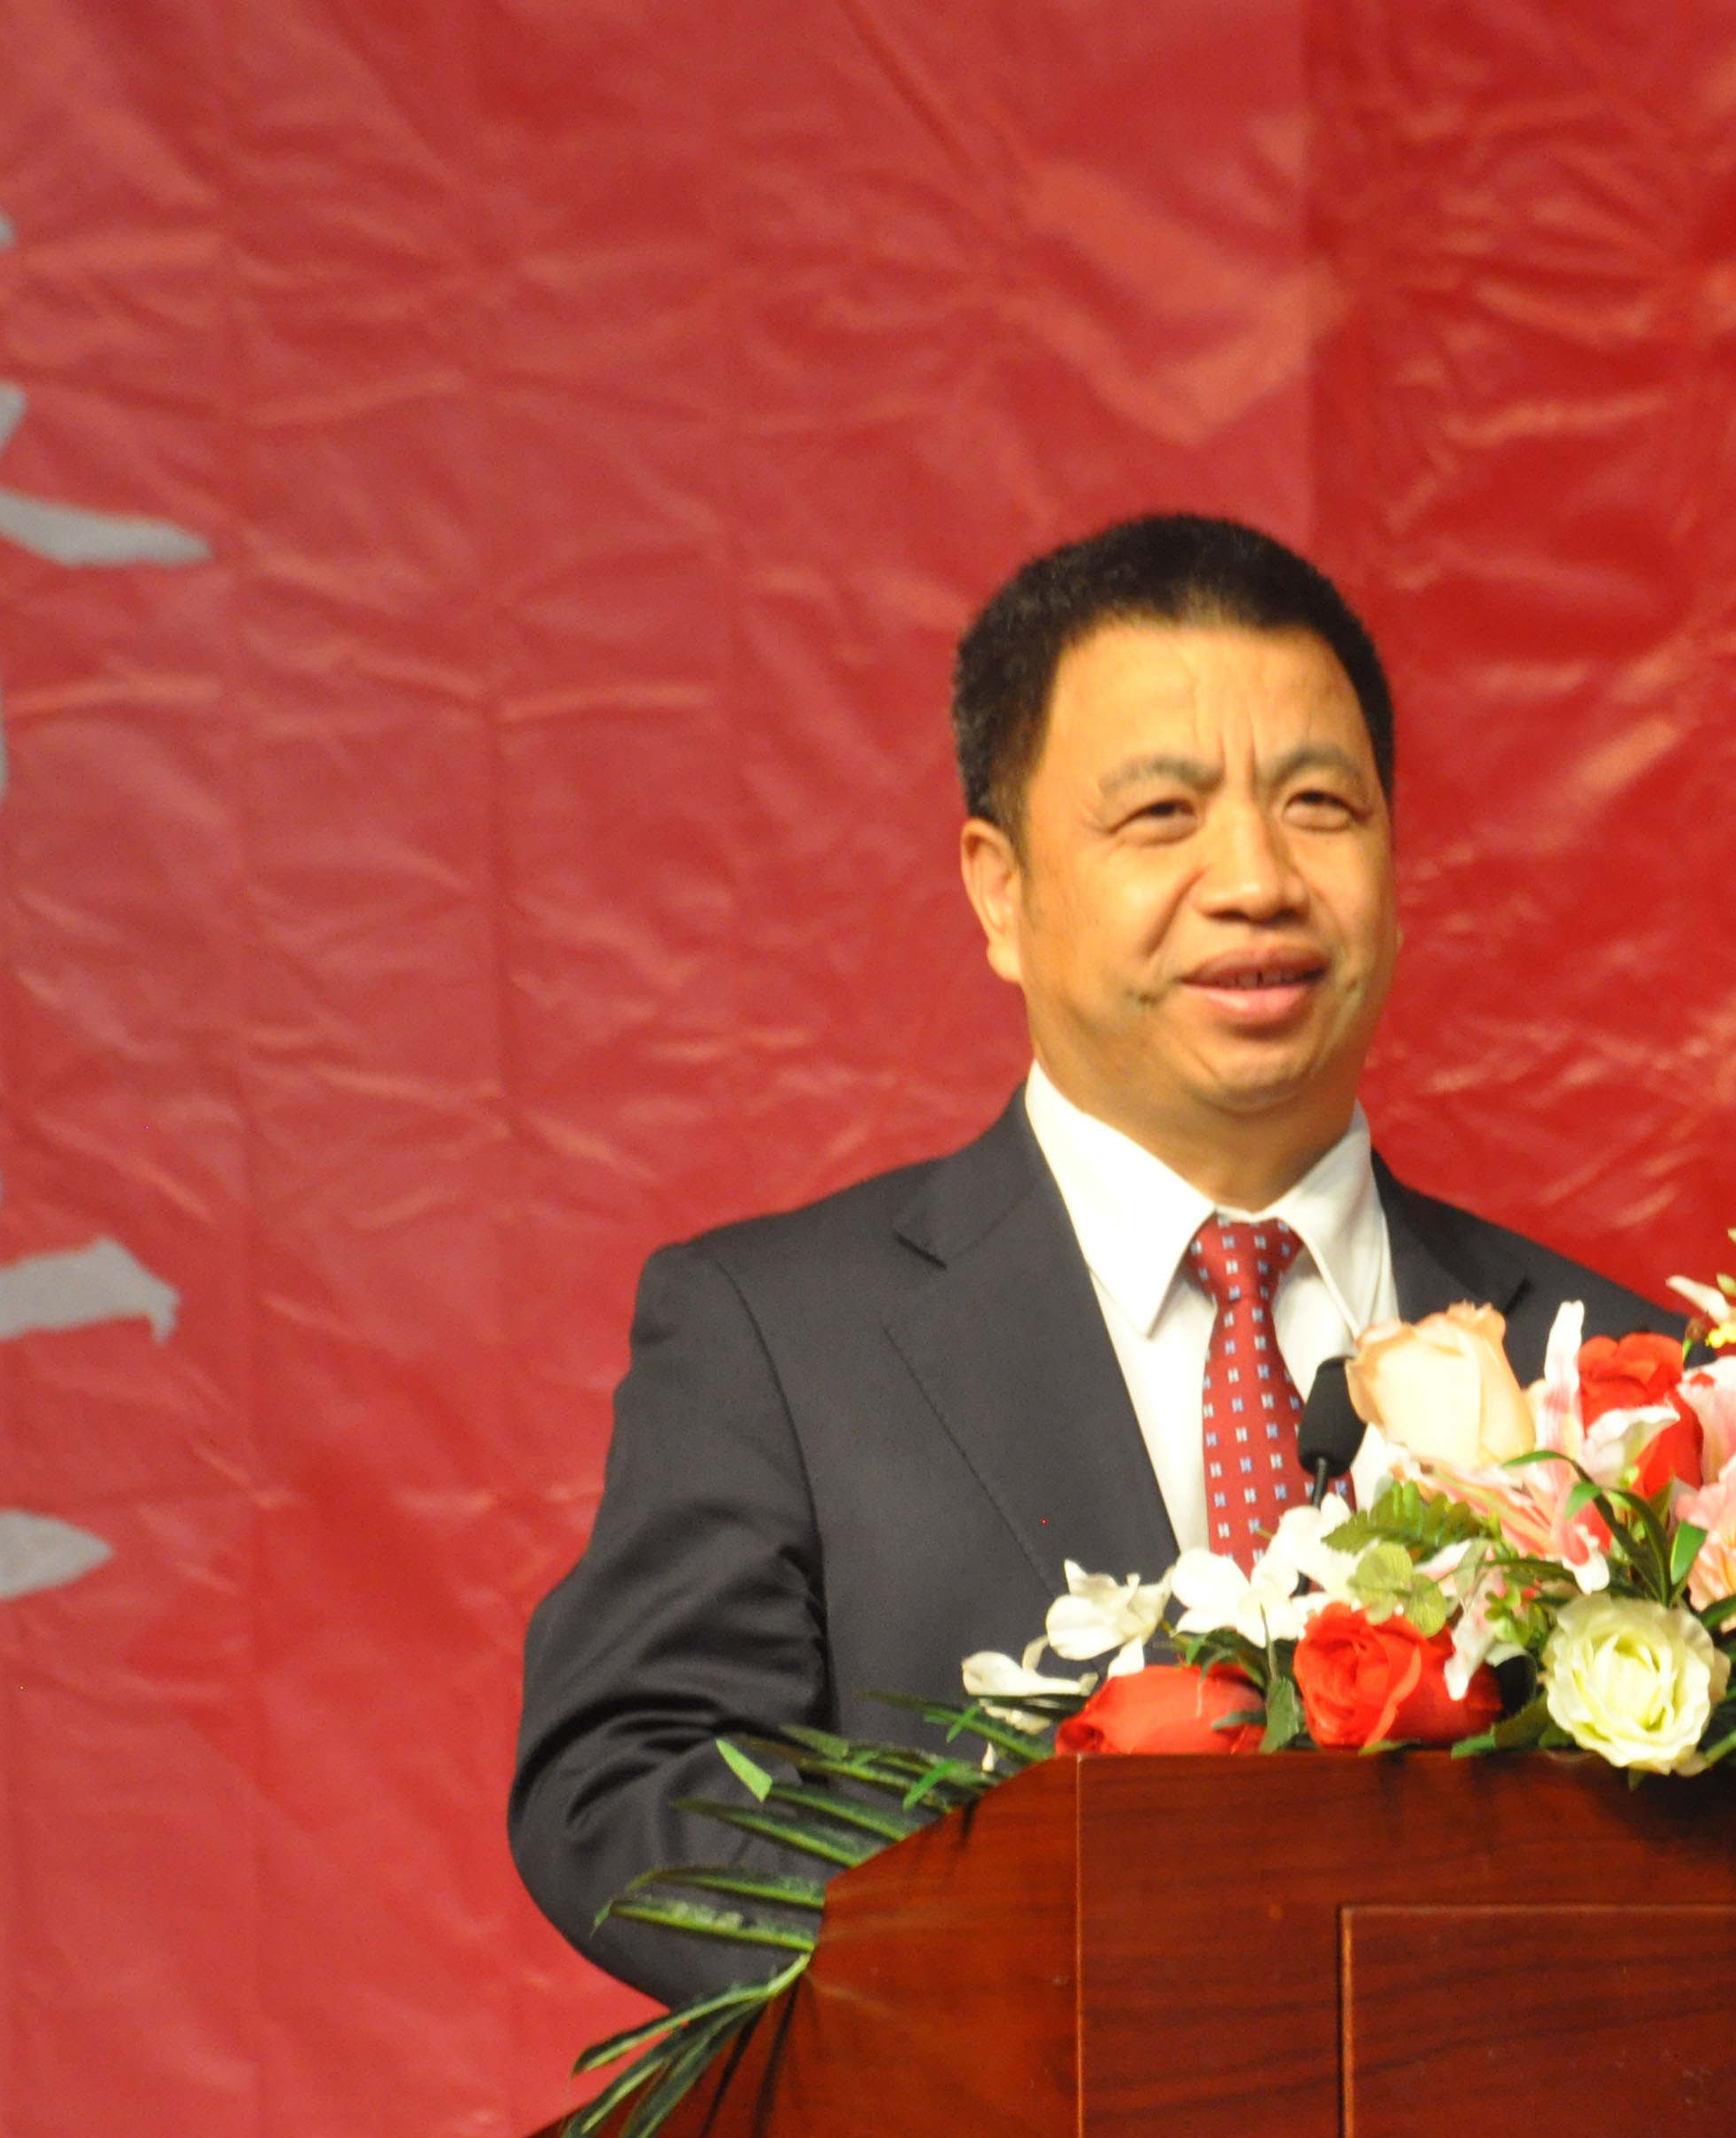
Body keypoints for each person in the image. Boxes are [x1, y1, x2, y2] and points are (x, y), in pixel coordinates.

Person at [509, 514, 1676, 2004]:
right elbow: (626, 1782)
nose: (1256, 879)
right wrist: (1023, 1955)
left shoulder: (1623, 1370)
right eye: (1163, 816)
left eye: (1320, 804)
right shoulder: (784, 1346)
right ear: (1000, 892)